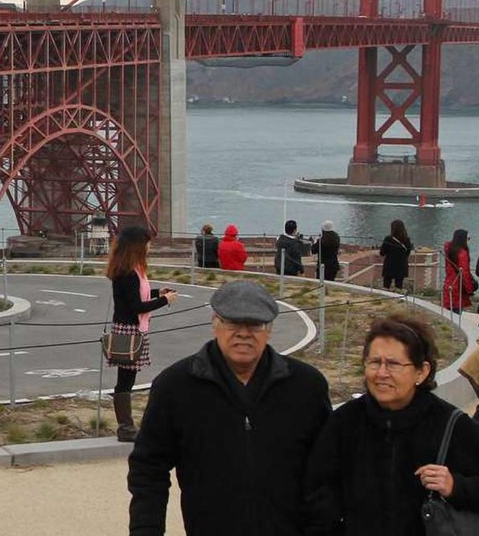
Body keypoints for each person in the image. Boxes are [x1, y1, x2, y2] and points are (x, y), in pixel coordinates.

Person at [128, 281, 331, 534]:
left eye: (255, 324)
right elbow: (148, 468)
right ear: (215, 323)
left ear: (269, 329)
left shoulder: (307, 387)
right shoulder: (175, 386)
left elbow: (326, 472)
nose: (244, 333)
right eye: (233, 322)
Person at [305, 313, 479, 535]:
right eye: (374, 362)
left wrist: (456, 487)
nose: (381, 373)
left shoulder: (450, 424)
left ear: (422, 371)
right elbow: (317, 496)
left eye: (393, 364)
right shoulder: (345, 421)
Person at [105, 225, 177, 442]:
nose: (149, 246)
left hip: (129, 329)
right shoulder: (128, 273)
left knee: (126, 379)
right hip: (129, 331)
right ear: (137, 246)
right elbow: (137, 306)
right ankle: (125, 428)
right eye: (146, 242)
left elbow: (136, 297)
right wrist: (165, 300)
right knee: (126, 381)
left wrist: (157, 292)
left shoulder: (129, 269)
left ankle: (126, 426)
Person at [440, 229, 476, 315]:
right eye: (468, 238)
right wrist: (470, 289)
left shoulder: (448, 250)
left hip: (449, 283)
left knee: (449, 310)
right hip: (458, 285)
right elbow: (465, 272)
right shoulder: (462, 253)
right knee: (456, 312)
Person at [378, 219, 412, 291]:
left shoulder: (388, 239)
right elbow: (408, 253)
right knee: (399, 286)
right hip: (402, 265)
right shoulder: (407, 240)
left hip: (389, 265)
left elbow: (382, 253)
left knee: (386, 286)